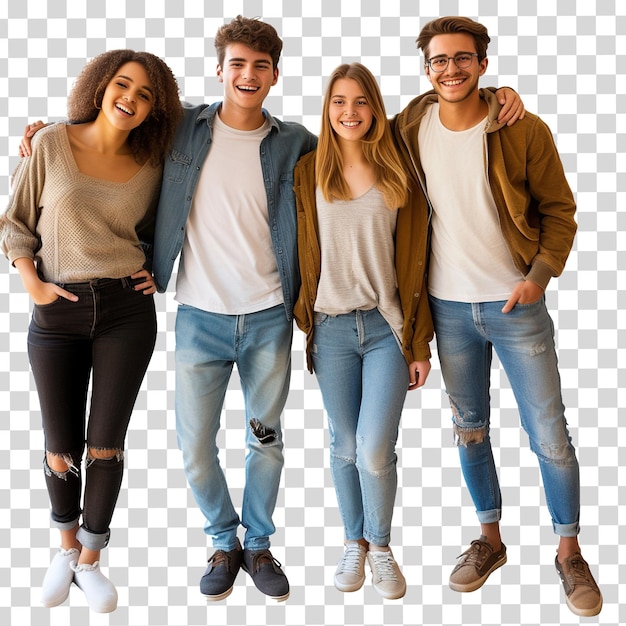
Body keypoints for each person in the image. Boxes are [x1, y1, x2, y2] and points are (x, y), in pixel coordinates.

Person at [391, 16, 602, 617]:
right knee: (470, 429)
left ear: (484, 63)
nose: (450, 69)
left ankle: (569, 552)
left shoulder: (522, 127)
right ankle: (489, 541)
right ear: (426, 69)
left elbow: (559, 211)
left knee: (550, 435)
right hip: (447, 308)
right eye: (438, 60)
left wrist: (538, 278)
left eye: (463, 58)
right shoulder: (410, 127)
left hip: (516, 307)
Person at [1, 50, 182, 613]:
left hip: (127, 312)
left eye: (146, 94)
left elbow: (158, 229)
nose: (130, 97)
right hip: (58, 310)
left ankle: (90, 559)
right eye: (123, 85)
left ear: (156, 108)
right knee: (61, 443)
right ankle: (62, 547)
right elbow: (15, 222)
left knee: (105, 443)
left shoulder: (155, 164)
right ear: (101, 87)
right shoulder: (51, 142)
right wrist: (31, 282)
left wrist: (157, 265)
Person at [293, 62, 433, 599]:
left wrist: (420, 342)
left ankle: (380, 544)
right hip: (329, 329)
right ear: (327, 110)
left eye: (360, 101)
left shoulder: (399, 168)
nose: (349, 112)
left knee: (375, 447)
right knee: (345, 443)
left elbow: (435, 102)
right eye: (338, 102)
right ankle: (352, 540)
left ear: (375, 108)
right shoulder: (308, 169)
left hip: (387, 329)